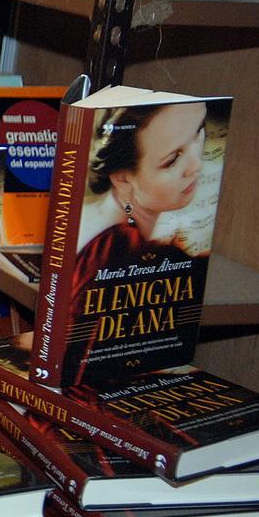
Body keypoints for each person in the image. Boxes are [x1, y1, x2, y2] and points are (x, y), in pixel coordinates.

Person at [64, 100, 209, 381]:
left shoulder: (133, 232)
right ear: (122, 177)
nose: (197, 165)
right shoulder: (114, 247)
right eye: (173, 159)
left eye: (199, 133)